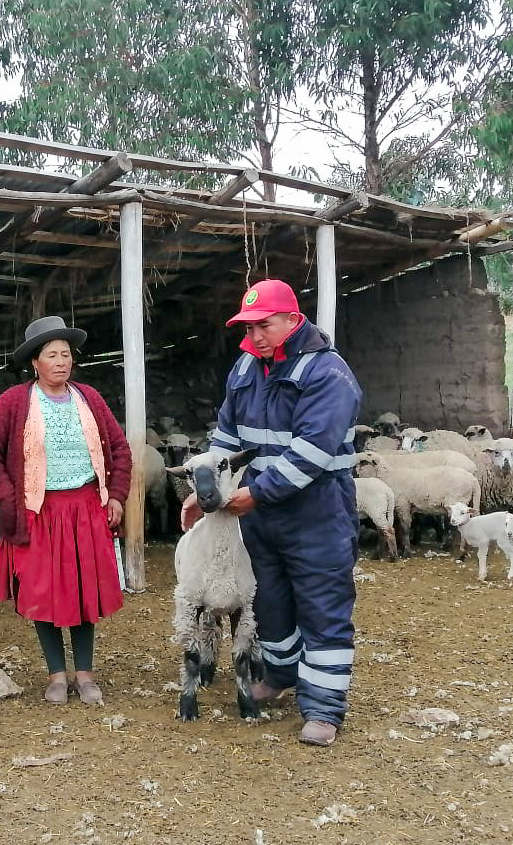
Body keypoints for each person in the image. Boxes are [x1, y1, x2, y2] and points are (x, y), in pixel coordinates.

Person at [182, 279, 362, 747]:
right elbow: (226, 435)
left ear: (292, 319)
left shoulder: (326, 372)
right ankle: (279, 675)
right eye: (249, 326)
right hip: (259, 512)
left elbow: (312, 449)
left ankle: (323, 708)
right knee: (269, 600)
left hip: (316, 507)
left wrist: (257, 493)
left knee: (322, 602)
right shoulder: (245, 367)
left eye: (265, 325)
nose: (257, 336)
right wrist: (207, 483)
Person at [0, 315, 132, 705]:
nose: (61, 361)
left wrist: (117, 496)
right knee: (45, 593)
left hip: (86, 509)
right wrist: (8, 497)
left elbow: (120, 451)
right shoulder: (15, 402)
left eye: (66, 354)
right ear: (34, 363)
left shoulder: (89, 398)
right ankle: (57, 675)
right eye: (51, 355)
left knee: (83, 593)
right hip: (39, 513)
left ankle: (86, 675)